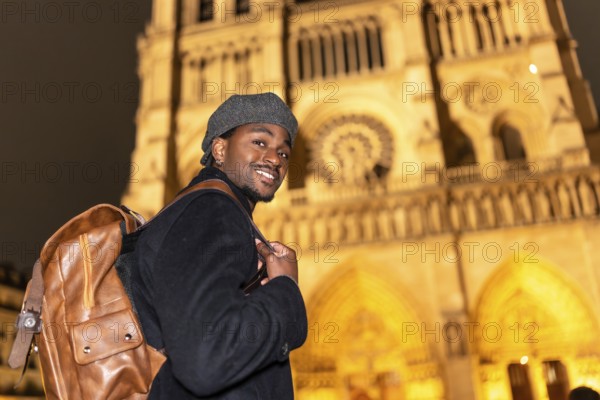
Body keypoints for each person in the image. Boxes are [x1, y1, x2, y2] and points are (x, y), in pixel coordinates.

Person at [131, 92, 308, 399]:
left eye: (284, 153)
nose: (275, 159)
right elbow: (206, 358)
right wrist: (285, 288)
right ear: (220, 148)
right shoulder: (211, 210)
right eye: (260, 142)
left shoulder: (207, 210)